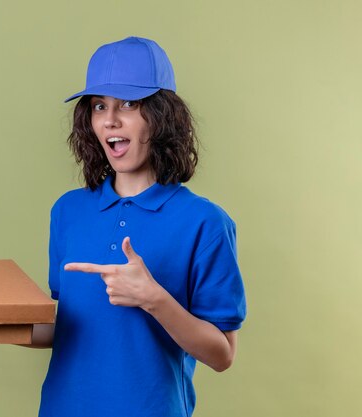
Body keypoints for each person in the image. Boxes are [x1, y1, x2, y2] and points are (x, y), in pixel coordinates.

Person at [35, 36, 247, 417]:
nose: (111, 119)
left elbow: (222, 354)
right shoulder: (68, 211)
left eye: (129, 104)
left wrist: (154, 299)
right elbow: (73, 329)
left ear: (163, 117)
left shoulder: (204, 223)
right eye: (100, 105)